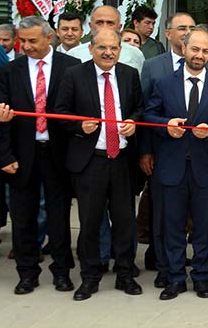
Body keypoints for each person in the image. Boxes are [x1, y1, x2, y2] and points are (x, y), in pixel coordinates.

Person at [0, 17, 79, 295]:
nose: (26, 46)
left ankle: (62, 272)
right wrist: (4, 156)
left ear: (48, 37)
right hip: (22, 155)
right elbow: (3, 120)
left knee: (59, 216)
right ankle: (27, 273)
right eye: (22, 41)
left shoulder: (71, 68)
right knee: (23, 216)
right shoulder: (9, 71)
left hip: (58, 155)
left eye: (32, 40)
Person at [52, 29, 143, 301]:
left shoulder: (129, 74)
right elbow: (59, 111)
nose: (108, 53)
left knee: (125, 221)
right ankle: (89, 278)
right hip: (90, 160)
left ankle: (125, 274)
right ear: (91, 49)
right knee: (89, 223)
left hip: (122, 160)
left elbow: (140, 108)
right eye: (102, 47)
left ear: (120, 50)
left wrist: (133, 123)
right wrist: (79, 126)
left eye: (114, 48)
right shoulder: (74, 75)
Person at [143, 28, 208, 300]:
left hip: (205, 167)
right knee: (172, 225)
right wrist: (165, 126)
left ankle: (202, 278)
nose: (200, 55)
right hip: (171, 166)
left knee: (204, 227)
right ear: (184, 47)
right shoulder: (164, 82)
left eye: (205, 51)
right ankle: (175, 277)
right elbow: (149, 116)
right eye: (195, 49)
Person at [66, 5, 145, 71]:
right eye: (99, 23)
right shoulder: (74, 55)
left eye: (110, 23)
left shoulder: (134, 54)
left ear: (119, 27)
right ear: (91, 26)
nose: (104, 27)